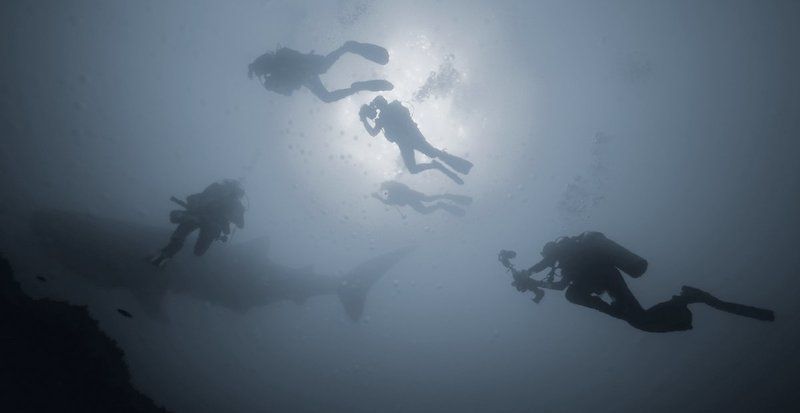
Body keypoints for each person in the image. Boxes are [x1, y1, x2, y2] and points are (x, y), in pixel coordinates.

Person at [508, 231, 775, 332]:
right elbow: (558, 282)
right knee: (641, 320)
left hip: (602, 276)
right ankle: (683, 299)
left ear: (552, 250)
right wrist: (532, 279)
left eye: (548, 256)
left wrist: (529, 276)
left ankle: (683, 299)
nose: (548, 260)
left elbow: (558, 283)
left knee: (639, 321)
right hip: (607, 275)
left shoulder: (565, 254)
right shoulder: (570, 255)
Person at [360, 95, 473, 185]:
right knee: (423, 160)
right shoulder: (388, 113)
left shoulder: (386, 115)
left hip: (410, 139)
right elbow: (374, 133)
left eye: (379, 103)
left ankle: (447, 166)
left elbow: (373, 133)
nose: (380, 105)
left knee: (430, 155)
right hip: (409, 140)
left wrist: (364, 120)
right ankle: (439, 166)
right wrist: (366, 120)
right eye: (379, 104)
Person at [248, 41, 393, 102]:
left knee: (323, 70)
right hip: (306, 74)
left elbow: (289, 81)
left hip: (306, 68)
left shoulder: (276, 67)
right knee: (326, 97)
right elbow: (289, 87)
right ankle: (358, 87)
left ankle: (347, 47)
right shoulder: (275, 70)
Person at [150, 180, 246, 267]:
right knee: (198, 251)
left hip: (196, 217)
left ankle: (165, 254)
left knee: (181, 234)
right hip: (210, 225)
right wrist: (233, 216)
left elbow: (192, 198)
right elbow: (241, 225)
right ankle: (165, 255)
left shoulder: (215, 189)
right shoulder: (237, 205)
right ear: (238, 193)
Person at [371, 180, 472, 216]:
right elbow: (389, 201)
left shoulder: (388, 189)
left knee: (427, 200)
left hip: (410, 196)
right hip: (410, 198)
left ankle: (444, 198)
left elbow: (388, 201)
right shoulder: (388, 189)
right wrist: (378, 197)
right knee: (425, 208)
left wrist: (378, 197)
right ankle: (442, 202)